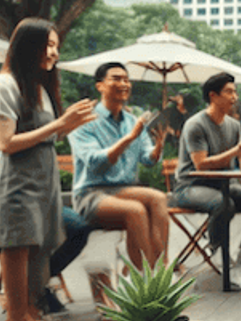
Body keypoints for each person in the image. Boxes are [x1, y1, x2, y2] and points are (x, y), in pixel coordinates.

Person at [0, 18, 96, 321]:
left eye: (57, 46)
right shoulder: (4, 85)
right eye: (48, 45)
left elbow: (48, 135)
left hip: (42, 180)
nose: (54, 53)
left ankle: (27, 311)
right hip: (18, 182)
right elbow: (6, 142)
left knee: (37, 247)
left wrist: (68, 125)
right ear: (26, 45)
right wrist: (60, 123)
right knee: (17, 247)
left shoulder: (40, 87)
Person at [171, 72, 241, 290]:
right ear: (213, 96)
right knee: (223, 203)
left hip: (222, 185)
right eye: (229, 91)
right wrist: (239, 149)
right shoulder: (195, 125)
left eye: (235, 91)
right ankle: (221, 258)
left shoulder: (233, 125)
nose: (234, 97)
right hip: (189, 187)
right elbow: (201, 164)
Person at [68, 62, 170, 270]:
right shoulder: (84, 122)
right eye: (116, 78)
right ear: (100, 86)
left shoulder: (132, 121)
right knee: (136, 211)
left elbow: (147, 160)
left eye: (126, 79)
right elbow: (96, 163)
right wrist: (130, 137)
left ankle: (161, 270)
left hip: (123, 190)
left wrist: (157, 149)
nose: (124, 83)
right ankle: (147, 280)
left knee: (159, 198)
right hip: (91, 194)